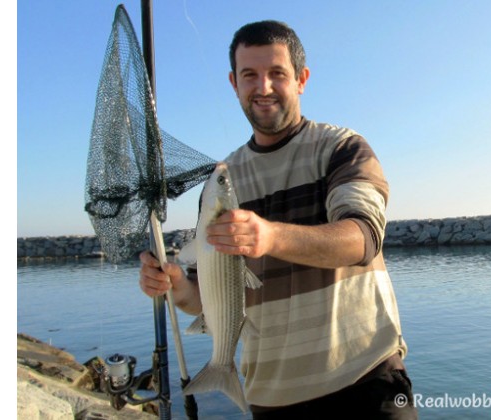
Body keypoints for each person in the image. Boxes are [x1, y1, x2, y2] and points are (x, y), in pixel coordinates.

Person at [139, 20, 416, 419]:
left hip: (367, 383)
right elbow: (207, 294)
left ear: (301, 80)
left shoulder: (342, 148)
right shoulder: (223, 180)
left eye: (277, 74)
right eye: (250, 75)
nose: (263, 87)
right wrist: (175, 285)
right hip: (273, 399)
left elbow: (362, 239)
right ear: (234, 83)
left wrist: (269, 237)